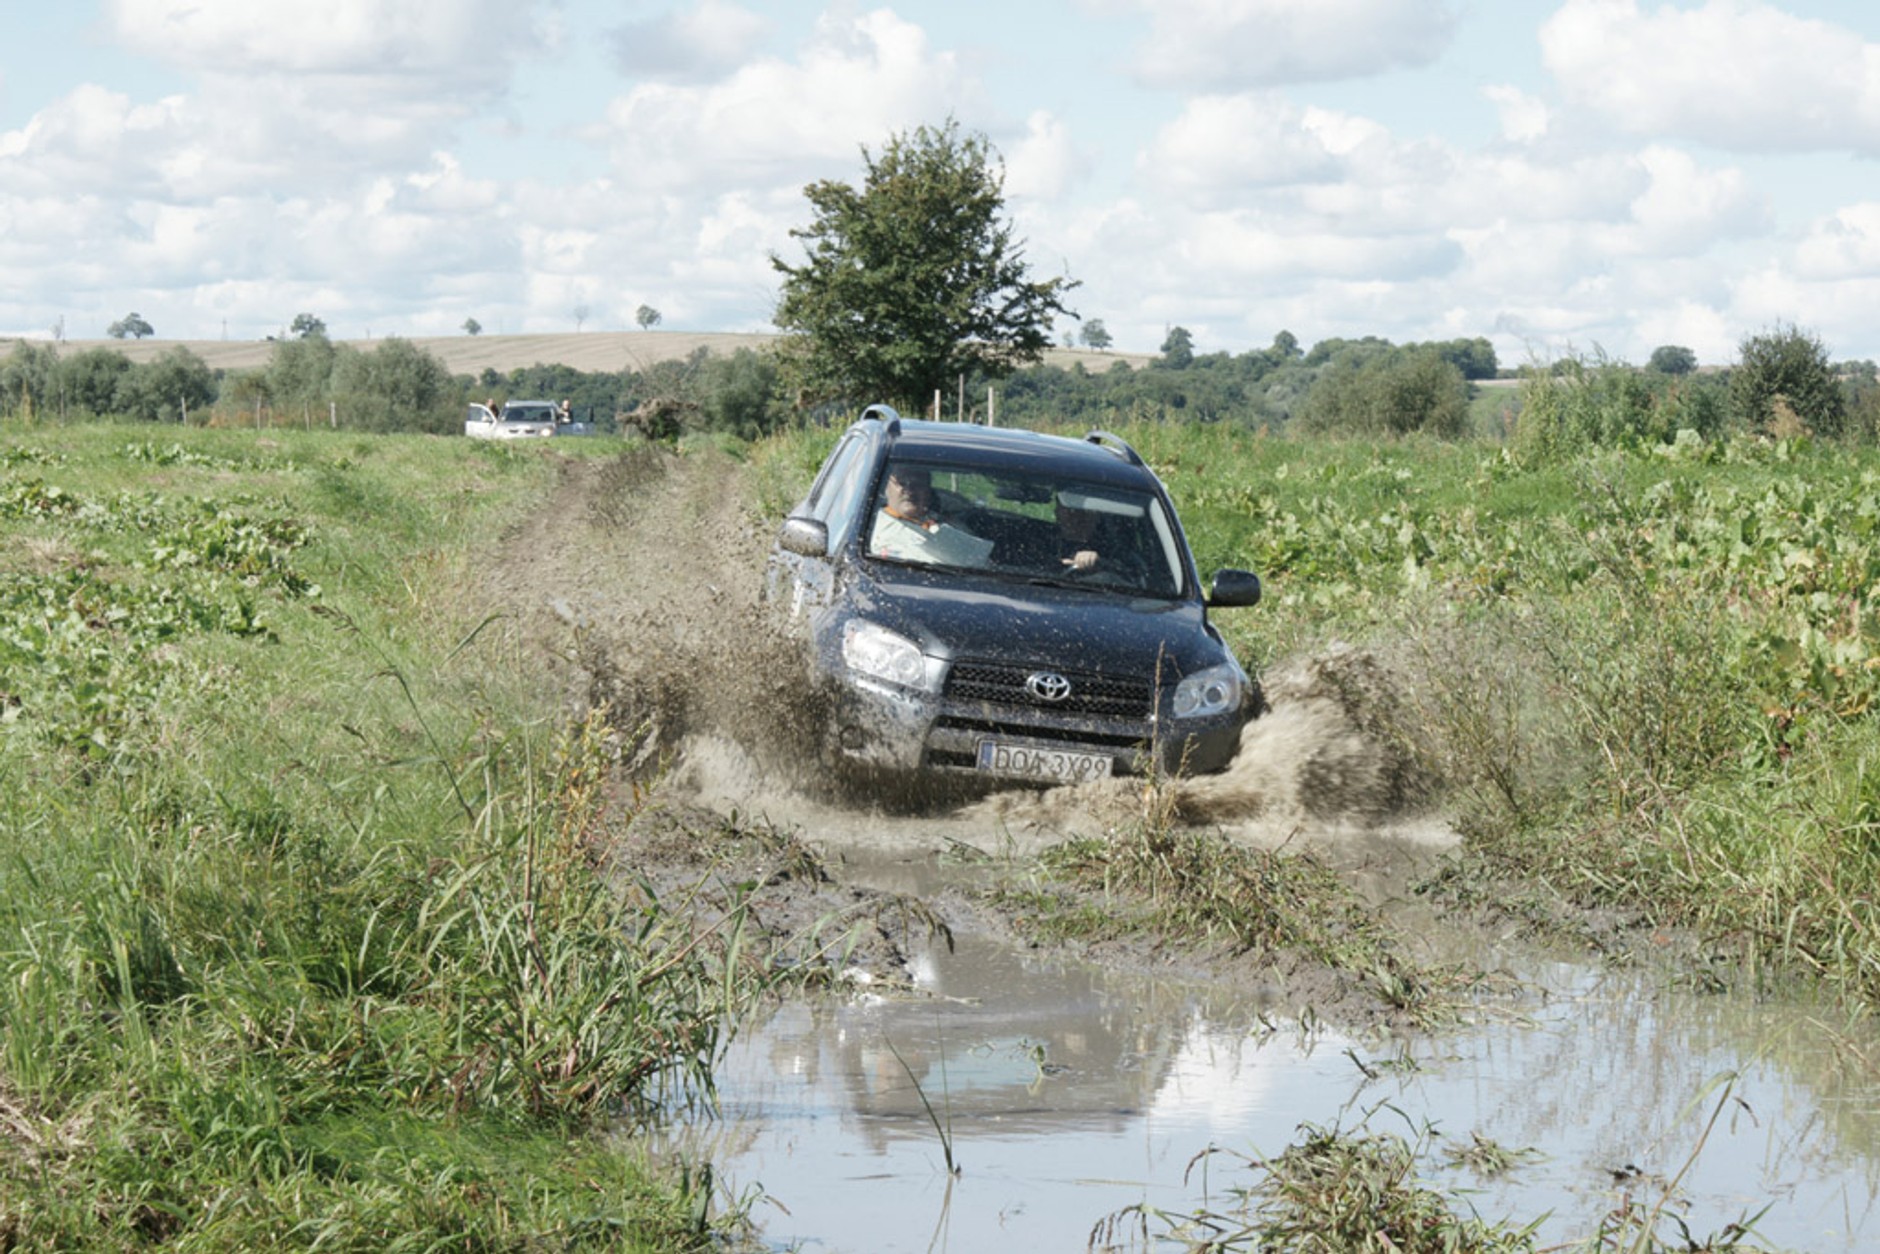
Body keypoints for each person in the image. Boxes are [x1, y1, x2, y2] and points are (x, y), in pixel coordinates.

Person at [870, 466, 993, 566]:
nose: (909, 490)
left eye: (917, 484)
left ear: (928, 491)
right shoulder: (870, 527)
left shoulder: (954, 527)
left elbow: (981, 566)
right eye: (902, 483)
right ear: (886, 488)